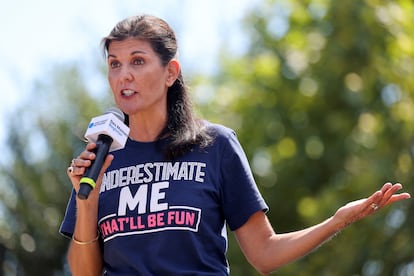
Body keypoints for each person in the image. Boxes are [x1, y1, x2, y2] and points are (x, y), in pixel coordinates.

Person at [60, 14, 411, 276]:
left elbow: (264, 253)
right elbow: (84, 273)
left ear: (170, 72)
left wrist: (336, 221)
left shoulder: (215, 146)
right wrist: (86, 202)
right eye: (115, 64)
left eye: (138, 61)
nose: (124, 76)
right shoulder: (100, 158)